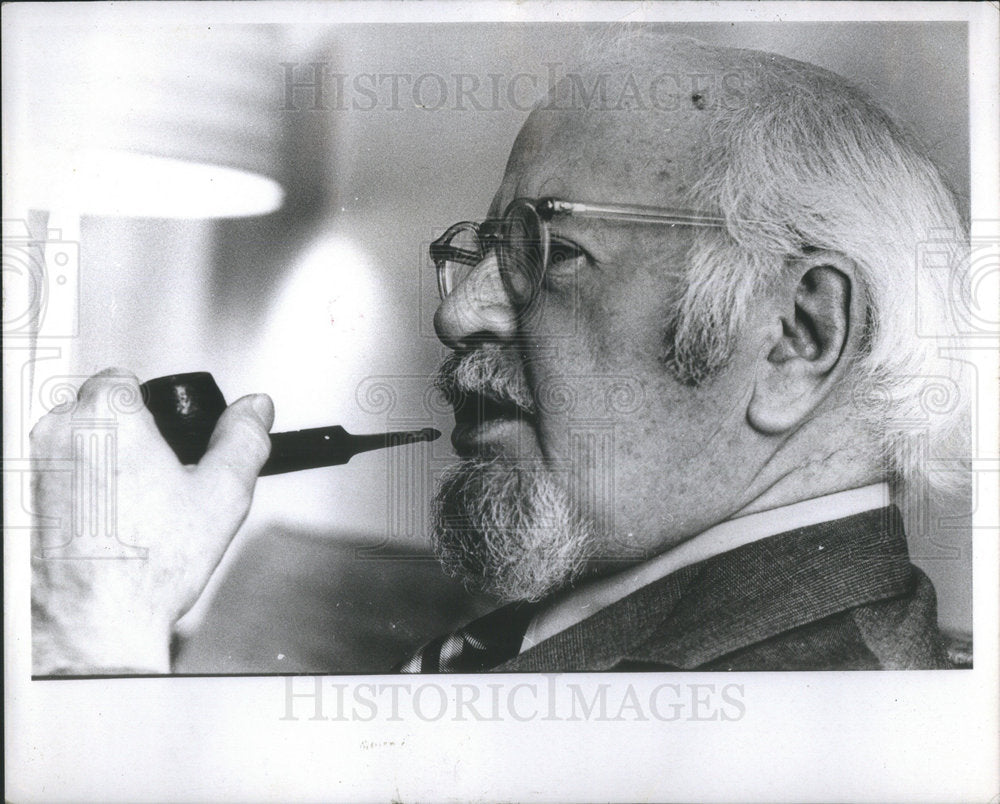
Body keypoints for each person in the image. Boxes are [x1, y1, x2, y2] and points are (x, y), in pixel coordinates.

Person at [30, 35, 968, 674]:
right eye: (476, 255)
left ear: (798, 337)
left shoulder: (812, 724)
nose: (459, 316)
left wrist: (89, 635)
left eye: (547, 252)